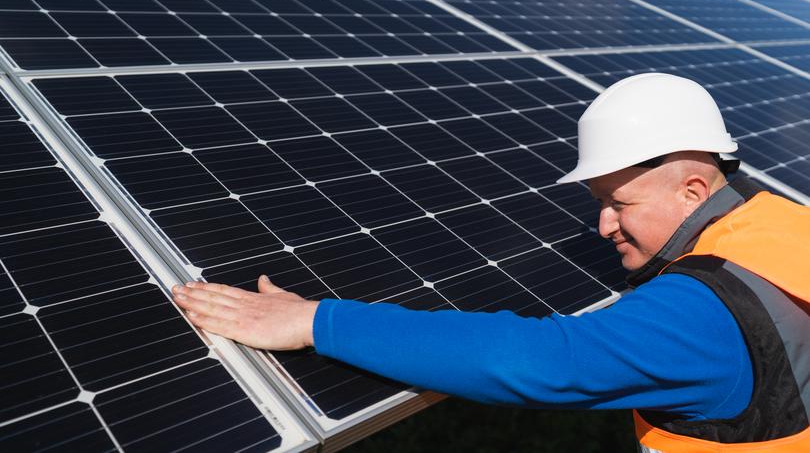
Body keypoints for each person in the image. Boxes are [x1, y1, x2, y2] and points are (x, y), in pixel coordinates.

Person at [172, 73, 810, 451]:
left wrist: (316, 321)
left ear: (694, 191)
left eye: (619, 202)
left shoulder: (707, 313)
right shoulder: (785, 223)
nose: (603, 224)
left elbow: (544, 362)